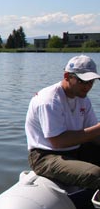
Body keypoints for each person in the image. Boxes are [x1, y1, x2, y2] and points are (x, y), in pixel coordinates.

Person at [26, 55, 100, 189]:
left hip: (74, 150)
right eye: (82, 81)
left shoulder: (83, 98)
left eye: (91, 81)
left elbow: (94, 135)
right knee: (95, 174)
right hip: (45, 156)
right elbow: (58, 141)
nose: (88, 86)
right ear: (67, 76)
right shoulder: (49, 100)